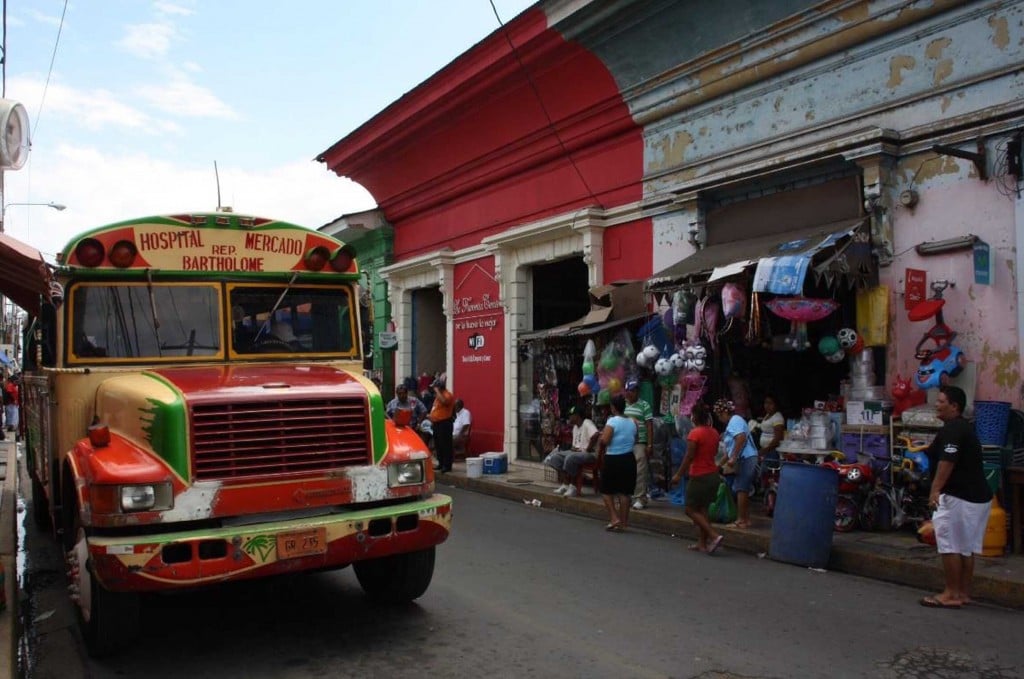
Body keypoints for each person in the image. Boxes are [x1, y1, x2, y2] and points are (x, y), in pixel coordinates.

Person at [920, 385, 992, 609]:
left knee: (949, 544)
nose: (937, 405)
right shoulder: (961, 429)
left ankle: (950, 593)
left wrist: (935, 490)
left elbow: (947, 461)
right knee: (965, 547)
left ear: (954, 406)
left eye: (942, 401)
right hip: (977, 497)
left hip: (959, 497)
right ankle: (962, 592)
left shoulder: (953, 430)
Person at [671, 401, 724, 554]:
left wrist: (678, 474)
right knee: (703, 509)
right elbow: (714, 453)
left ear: (694, 417)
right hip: (713, 473)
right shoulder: (714, 432)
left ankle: (713, 535)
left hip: (699, 475)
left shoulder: (695, 433)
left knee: (689, 509)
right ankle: (701, 543)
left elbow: (689, 456)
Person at [713, 398, 758, 528]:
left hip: (746, 457)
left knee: (741, 488)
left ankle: (741, 520)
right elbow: (729, 451)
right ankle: (745, 519)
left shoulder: (735, 420)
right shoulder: (733, 423)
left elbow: (741, 438)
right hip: (745, 457)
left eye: (719, 415)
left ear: (723, 413)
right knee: (741, 488)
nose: (719, 418)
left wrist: (733, 457)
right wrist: (719, 465)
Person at [596, 395, 637, 532]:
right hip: (629, 458)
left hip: (613, 458)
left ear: (613, 407)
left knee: (606, 490)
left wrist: (601, 438)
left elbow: (605, 441)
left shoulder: (612, 421)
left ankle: (614, 518)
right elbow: (634, 438)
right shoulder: (633, 422)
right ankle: (624, 522)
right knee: (624, 492)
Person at [545, 406, 599, 497]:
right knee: (554, 457)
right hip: (577, 452)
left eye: (571, 416)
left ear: (577, 416)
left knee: (570, 458)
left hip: (589, 453)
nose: (569, 418)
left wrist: (588, 448)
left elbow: (595, 434)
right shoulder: (575, 427)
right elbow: (575, 445)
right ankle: (565, 484)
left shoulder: (587, 423)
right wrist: (574, 449)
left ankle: (573, 487)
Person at [624, 379, 654, 510]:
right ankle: (627, 496)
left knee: (640, 468)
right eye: (630, 390)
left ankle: (640, 498)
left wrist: (649, 444)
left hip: (639, 442)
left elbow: (649, 426)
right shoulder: (623, 405)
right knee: (626, 470)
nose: (633, 393)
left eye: (635, 390)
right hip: (625, 442)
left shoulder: (644, 405)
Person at [428, 375, 456, 473]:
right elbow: (435, 408)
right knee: (438, 444)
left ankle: (447, 465)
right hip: (436, 424)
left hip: (445, 423)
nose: (433, 390)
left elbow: (444, 401)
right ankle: (441, 463)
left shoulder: (447, 395)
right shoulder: (437, 398)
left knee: (446, 445)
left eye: (435, 388)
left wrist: (437, 390)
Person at [753, 394, 785, 460]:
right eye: (766, 403)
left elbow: (778, 439)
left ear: (776, 405)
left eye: (770, 403)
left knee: (767, 469)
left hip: (772, 451)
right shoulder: (767, 415)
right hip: (766, 451)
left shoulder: (778, 418)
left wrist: (764, 450)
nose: (767, 406)